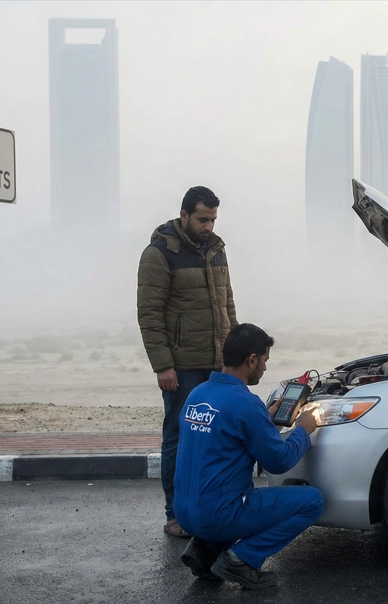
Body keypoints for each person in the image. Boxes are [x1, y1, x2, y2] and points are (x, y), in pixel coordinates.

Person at [174, 323, 323, 590]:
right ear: (251, 360)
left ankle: (204, 551)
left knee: (220, 496)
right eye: (264, 361)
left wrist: (266, 418)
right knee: (312, 501)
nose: (264, 368)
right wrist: (303, 429)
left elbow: (227, 436)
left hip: (184, 512)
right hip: (217, 515)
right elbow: (278, 461)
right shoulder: (245, 403)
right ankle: (241, 560)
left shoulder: (197, 394)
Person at [137, 186, 237, 538]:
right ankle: (174, 514)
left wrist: (235, 357)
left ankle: (207, 509)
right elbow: (149, 314)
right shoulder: (159, 253)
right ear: (184, 216)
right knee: (179, 439)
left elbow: (227, 306)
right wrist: (163, 366)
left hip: (217, 365)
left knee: (215, 439)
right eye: (202, 219)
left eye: (212, 219)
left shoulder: (216, 250)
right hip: (181, 368)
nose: (208, 225)